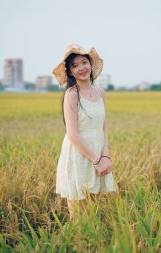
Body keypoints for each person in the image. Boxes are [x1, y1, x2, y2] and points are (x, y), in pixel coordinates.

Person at [52, 44, 116, 219]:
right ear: (70, 72)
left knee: (92, 214)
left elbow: (103, 125)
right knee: (79, 217)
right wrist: (96, 160)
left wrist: (105, 156)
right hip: (79, 156)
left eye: (84, 62)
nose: (81, 68)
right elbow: (72, 133)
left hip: (98, 155)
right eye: (75, 65)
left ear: (90, 64)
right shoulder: (72, 94)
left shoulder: (100, 93)